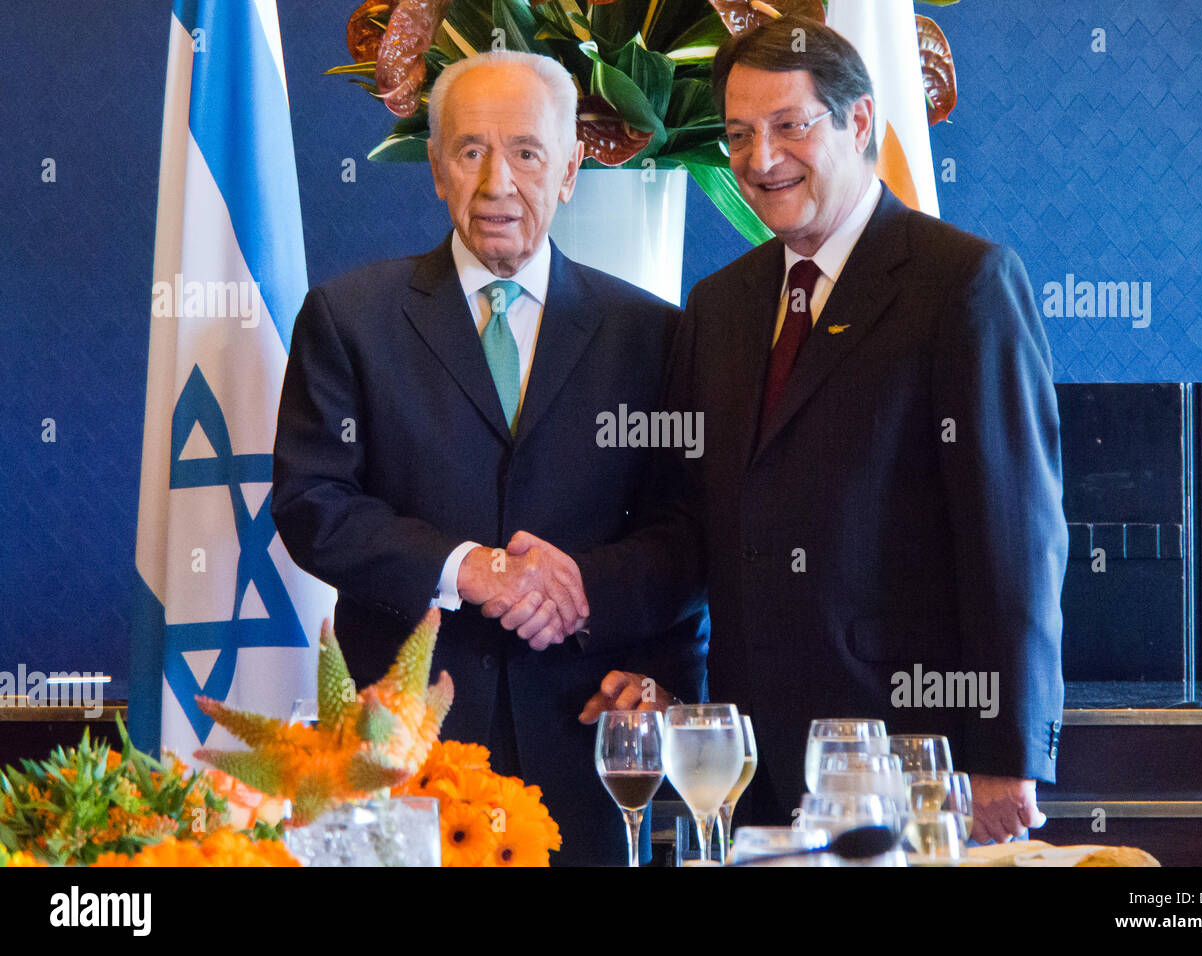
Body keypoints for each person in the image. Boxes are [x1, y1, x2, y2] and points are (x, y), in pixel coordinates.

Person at [582, 16, 1068, 844]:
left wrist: (1007, 750)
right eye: (738, 134)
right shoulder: (719, 306)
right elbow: (694, 529)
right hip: (751, 770)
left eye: (788, 126)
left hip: (916, 762)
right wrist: (657, 674)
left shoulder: (963, 285)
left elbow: (1015, 539)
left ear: (859, 123)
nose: (760, 160)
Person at [271, 50, 705, 865]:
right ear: (436, 169)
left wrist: (590, 602)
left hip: (594, 746)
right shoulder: (349, 318)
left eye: (527, 153)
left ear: (571, 168)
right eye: (471, 151)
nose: (497, 182)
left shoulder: (654, 334)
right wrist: (467, 568)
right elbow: (312, 503)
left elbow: (687, 531)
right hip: (403, 758)